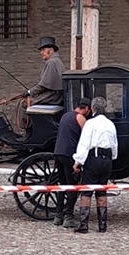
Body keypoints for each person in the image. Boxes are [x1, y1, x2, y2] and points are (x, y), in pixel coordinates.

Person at [72, 97, 118, 234]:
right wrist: (112, 158)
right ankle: (102, 225)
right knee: (101, 190)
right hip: (107, 160)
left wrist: (78, 162)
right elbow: (114, 145)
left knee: (86, 191)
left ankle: (83, 224)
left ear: (92, 109)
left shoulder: (90, 124)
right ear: (105, 109)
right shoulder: (111, 124)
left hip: (94, 159)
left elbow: (84, 144)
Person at [53, 97, 90, 228]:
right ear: (85, 108)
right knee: (73, 186)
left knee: (62, 185)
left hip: (58, 152)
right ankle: (68, 216)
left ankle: (58, 215)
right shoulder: (80, 118)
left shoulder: (65, 116)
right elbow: (85, 138)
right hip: (70, 154)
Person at [22, 36, 65, 107]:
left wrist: (29, 92)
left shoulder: (51, 62)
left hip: (53, 97)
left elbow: (43, 86)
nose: (41, 53)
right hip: (55, 96)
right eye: (41, 50)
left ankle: (26, 118)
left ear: (51, 50)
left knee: (24, 103)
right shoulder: (56, 61)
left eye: (43, 50)